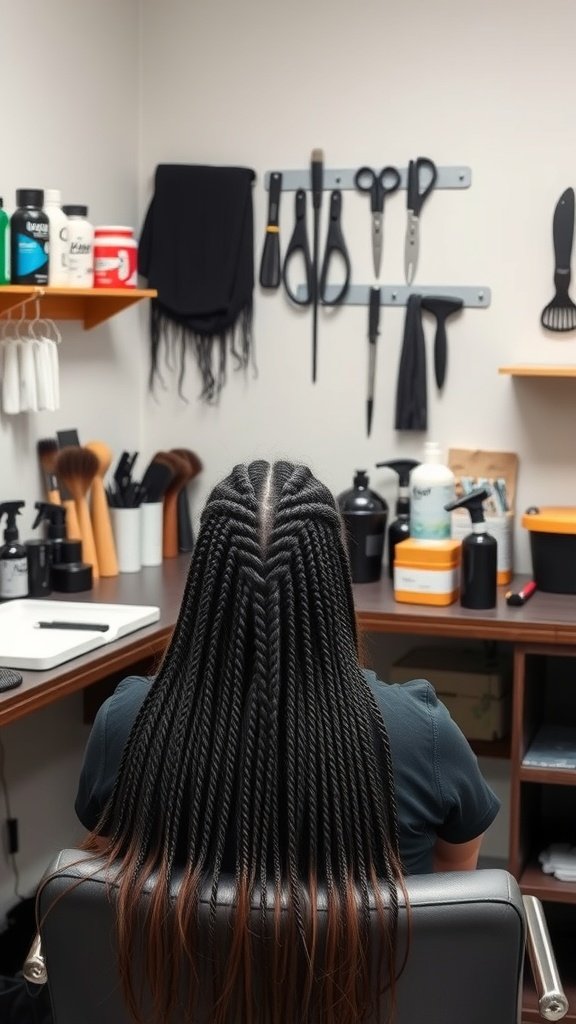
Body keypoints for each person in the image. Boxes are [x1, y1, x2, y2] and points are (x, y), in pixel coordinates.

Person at [75, 460, 499, 1024]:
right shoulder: (420, 732)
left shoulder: (127, 724)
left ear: (202, 585)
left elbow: (103, 869)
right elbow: (455, 890)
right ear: (334, 585)